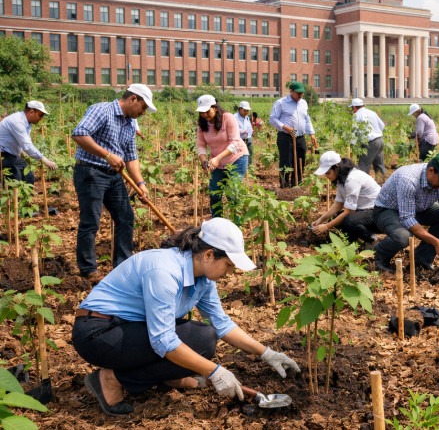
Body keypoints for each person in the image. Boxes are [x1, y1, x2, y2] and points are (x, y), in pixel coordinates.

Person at [72, 218, 300, 416]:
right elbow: (163, 340)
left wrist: (266, 353)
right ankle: (112, 379)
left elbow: (221, 324)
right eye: (229, 265)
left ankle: (164, 378)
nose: (230, 273)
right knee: (199, 341)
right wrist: (215, 371)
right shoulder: (164, 271)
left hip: (132, 329)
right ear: (209, 255)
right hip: (99, 332)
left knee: (204, 337)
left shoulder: (204, 278)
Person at [72, 84, 156, 279]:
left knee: (126, 217)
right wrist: (107, 155)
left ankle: (122, 265)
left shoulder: (130, 123)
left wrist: (141, 183)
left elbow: (131, 156)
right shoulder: (102, 111)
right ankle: (88, 269)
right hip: (90, 171)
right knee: (91, 221)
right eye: (143, 107)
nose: (143, 113)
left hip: (114, 176)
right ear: (133, 99)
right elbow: (79, 134)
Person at [371, 152, 439, 273]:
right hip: (387, 210)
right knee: (403, 236)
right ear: (431, 171)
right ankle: (380, 255)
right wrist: (436, 243)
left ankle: (421, 260)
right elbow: (407, 219)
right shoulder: (408, 179)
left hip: (417, 209)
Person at [310, 151, 380, 246]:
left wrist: (326, 226)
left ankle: (373, 240)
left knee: (348, 221)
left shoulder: (352, 179)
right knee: (336, 219)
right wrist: (321, 219)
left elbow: (349, 212)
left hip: (377, 212)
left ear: (337, 166)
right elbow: (338, 204)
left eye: (328, 173)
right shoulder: (341, 179)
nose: (327, 176)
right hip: (364, 210)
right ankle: (355, 242)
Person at [195, 95, 249, 218]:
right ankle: (217, 222)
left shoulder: (228, 118)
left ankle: (236, 222)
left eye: (207, 111)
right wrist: (204, 161)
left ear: (215, 107)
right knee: (214, 194)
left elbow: (235, 143)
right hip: (216, 162)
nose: (204, 114)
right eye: (202, 112)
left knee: (232, 193)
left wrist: (217, 158)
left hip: (237, 158)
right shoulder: (202, 124)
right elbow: (201, 144)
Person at [270, 81, 318, 187]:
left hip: (299, 136)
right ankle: (284, 185)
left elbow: (307, 119)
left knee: (301, 159)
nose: (300, 95)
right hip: (285, 136)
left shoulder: (303, 103)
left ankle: (297, 183)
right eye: (298, 93)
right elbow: (272, 119)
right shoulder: (280, 103)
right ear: (291, 91)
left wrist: (312, 133)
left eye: (302, 93)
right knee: (286, 161)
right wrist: (285, 127)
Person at [0, 100, 57, 187]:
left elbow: (26, 142)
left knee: (28, 178)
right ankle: (11, 195)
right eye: (40, 115)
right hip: (3, 155)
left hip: (13, 155)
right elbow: (27, 146)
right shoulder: (17, 122)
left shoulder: (27, 123)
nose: (41, 118)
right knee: (15, 179)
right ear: (31, 112)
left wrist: (24, 153)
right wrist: (45, 161)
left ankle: (24, 196)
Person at [350, 98, 387, 180]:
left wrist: (352, 145)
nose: (352, 110)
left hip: (370, 143)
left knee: (363, 165)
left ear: (354, 107)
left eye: (352, 108)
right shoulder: (372, 113)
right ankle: (383, 181)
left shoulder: (356, 115)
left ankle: (362, 184)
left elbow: (355, 132)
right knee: (379, 164)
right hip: (380, 140)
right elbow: (382, 125)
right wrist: (377, 133)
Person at [235, 101, 254, 167]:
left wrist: (251, 131)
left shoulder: (247, 117)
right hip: (239, 138)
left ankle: (249, 165)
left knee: (250, 150)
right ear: (240, 109)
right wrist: (242, 131)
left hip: (247, 137)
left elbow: (249, 127)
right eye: (245, 110)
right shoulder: (235, 117)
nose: (246, 112)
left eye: (247, 111)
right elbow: (232, 129)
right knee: (240, 152)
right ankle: (240, 166)